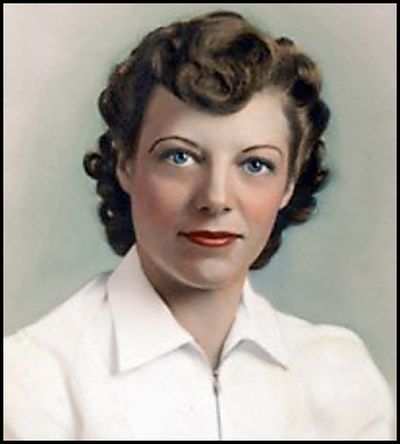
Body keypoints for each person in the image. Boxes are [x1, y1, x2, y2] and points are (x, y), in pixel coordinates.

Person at [4, 10, 393, 440]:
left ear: (289, 184)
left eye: (255, 164)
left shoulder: (340, 375)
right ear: (126, 164)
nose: (216, 198)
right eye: (180, 157)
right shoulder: (33, 380)